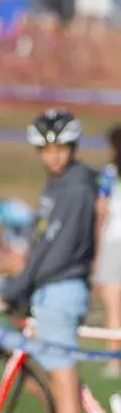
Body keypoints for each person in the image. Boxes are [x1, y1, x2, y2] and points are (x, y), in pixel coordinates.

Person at [0, 109, 98, 413]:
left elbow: (51, 250)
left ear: (73, 147)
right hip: (53, 290)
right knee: (60, 384)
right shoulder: (64, 185)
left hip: (60, 290)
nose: (54, 155)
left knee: (65, 386)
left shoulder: (72, 189)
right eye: (47, 148)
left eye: (61, 148)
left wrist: (17, 288)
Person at [94, 125, 121, 378]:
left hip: (114, 243)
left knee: (114, 307)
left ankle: (115, 360)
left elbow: (101, 210)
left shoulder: (109, 174)